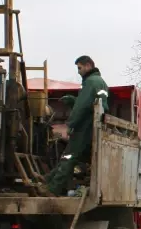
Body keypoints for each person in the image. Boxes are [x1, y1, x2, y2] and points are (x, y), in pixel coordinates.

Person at [46, 56, 109, 196]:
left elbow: (82, 107)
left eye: (79, 68)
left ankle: (51, 189)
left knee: (68, 157)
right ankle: (47, 181)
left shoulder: (90, 82)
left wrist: (69, 125)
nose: (79, 71)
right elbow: (90, 103)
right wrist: (72, 100)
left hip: (85, 126)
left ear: (88, 66)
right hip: (93, 124)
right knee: (69, 156)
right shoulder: (100, 82)